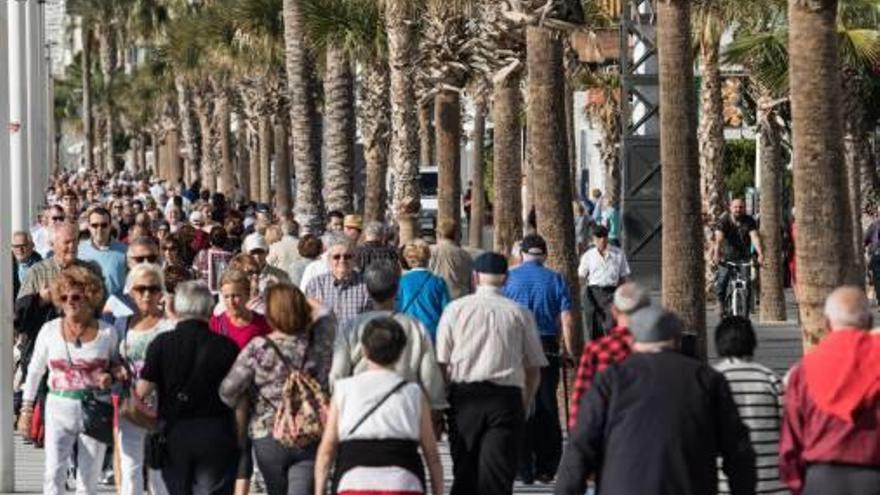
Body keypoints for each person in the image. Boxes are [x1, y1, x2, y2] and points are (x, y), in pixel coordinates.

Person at [555, 306, 756, 495]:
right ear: (677, 340)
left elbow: (579, 448)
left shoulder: (611, 380)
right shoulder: (707, 379)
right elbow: (738, 451)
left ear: (633, 340)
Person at [436, 252, 547, 495]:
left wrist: (443, 399)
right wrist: (524, 401)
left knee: (464, 472)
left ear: (475, 277)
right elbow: (533, 368)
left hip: (464, 397)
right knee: (497, 477)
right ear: (506, 279)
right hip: (506, 399)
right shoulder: (520, 314)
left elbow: (441, 362)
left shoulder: (455, 310)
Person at [219, 284, 336, 495]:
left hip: (268, 434)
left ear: (271, 314)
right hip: (308, 431)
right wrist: (302, 299)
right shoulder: (318, 342)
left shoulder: (259, 347)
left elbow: (228, 391)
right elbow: (326, 313)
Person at [18, 266, 120, 495]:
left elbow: (116, 366)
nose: (69, 302)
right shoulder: (49, 330)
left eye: (76, 296)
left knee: (88, 480)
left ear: (89, 295)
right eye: (63, 297)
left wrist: (111, 376)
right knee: (53, 475)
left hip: (94, 407)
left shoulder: (108, 333)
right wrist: (26, 409)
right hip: (58, 406)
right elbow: (35, 371)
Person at [314, 317, 444, 495]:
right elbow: (432, 455)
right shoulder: (414, 393)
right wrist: (438, 491)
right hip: (404, 480)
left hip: (353, 480)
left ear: (364, 350)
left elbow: (327, 449)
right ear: (400, 352)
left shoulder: (343, 389)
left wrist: (319, 490)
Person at [136, 282, 241, 495]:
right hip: (216, 430)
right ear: (210, 308)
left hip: (175, 430)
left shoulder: (161, 343)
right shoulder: (226, 346)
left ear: (177, 307)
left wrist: (152, 423)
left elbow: (141, 393)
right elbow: (240, 397)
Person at [779, 287, 880, 495]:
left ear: (826, 324)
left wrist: (799, 485)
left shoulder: (804, 370)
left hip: (820, 480)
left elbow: (791, 442)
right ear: (869, 322)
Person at [330, 260, 447, 418]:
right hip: (403, 411)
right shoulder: (415, 327)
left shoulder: (352, 327)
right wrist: (436, 407)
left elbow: (338, 373)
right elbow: (429, 375)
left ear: (368, 290)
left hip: (360, 408)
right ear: (397, 289)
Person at [501, 234, 574, 484]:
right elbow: (566, 318)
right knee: (546, 403)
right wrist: (568, 350)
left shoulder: (509, 278)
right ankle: (547, 464)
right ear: (544, 255)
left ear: (522, 253)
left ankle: (523, 465)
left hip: (517, 345)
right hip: (546, 344)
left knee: (520, 403)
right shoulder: (556, 279)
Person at [115, 264, 175, 495]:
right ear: (131, 292)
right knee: (130, 470)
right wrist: (116, 369)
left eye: (153, 288)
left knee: (160, 475)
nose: (147, 294)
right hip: (131, 407)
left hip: (164, 409)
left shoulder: (170, 326)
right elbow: (113, 357)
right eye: (141, 289)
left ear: (162, 292)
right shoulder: (122, 324)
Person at [713, 316, 786, 495]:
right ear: (752, 342)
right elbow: (788, 429)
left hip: (723, 484)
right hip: (771, 482)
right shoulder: (770, 379)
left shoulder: (711, 380)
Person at [567, 282, 648, 430]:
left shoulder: (597, 350)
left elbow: (581, 403)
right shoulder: (662, 350)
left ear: (615, 311)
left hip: (610, 435)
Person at [304, 236, 371, 327]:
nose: (342, 260)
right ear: (329, 260)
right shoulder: (315, 285)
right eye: (336, 257)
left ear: (354, 259)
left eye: (347, 256)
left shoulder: (365, 285)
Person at [577, 225, 631, 339]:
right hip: (593, 293)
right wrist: (578, 294)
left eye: (604, 236)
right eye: (599, 236)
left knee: (612, 327)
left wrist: (623, 296)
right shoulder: (588, 256)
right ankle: (596, 354)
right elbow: (581, 276)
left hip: (611, 293)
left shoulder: (618, 254)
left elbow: (623, 277)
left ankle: (612, 353)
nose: (602, 239)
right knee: (593, 328)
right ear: (594, 239)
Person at [712, 198, 764, 312]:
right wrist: (716, 254)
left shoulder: (749, 221)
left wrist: (760, 253)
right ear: (730, 208)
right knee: (722, 280)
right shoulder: (724, 220)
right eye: (735, 207)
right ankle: (720, 302)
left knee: (747, 282)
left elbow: (755, 237)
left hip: (743, 258)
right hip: (726, 257)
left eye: (740, 207)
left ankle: (746, 309)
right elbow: (718, 240)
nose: (738, 210)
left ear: (744, 208)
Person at [396, 240, 450, 340]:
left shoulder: (401, 282)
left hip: (409, 331)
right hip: (432, 333)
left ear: (409, 260)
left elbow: (397, 309)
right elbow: (447, 311)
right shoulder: (438, 282)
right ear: (428, 258)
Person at [211, 269, 272, 350]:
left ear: (247, 295)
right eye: (226, 297)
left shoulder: (263, 324)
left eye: (236, 296)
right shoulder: (216, 324)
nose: (231, 302)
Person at [78, 207, 129, 297]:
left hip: (115, 307)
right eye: (95, 225)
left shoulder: (125, 251)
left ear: (110, 226)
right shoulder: (79, 251)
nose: (99, 229)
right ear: (89, 227)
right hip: (87, 306)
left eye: (104, 225)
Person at [428, 219, 473, 300]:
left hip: (436, 297)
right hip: (459, 298)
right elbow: (471, 282)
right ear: (457, 235)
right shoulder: (465, 255)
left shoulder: (430, 251)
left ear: (438, 234)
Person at [12, 231, 43, 300]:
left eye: (23, 245)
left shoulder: (42, 267)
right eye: (16, 246)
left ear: (32, 245)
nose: (20, 250)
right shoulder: (6, 265)